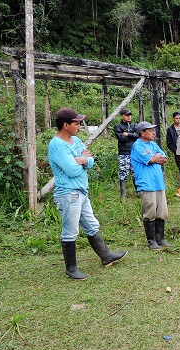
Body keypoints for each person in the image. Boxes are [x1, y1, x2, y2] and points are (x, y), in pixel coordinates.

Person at [49, 107, 127, 281]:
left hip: (81, 191)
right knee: (70, 230)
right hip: (68, 193)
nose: (79, 125)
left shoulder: (75, 140)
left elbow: (90, 159)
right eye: (76, 123)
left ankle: (106, 256)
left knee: (91, 225)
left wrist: (82, 160)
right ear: (65, 125)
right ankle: (71, 268)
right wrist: (81, 160)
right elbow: (71, 170)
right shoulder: (56, 145)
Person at [130, 121, 170, 250]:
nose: (153, 132)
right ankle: (151, 241)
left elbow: (164, 158)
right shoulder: (138, 146)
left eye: (153, 130)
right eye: (150, 130)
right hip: (146, 184)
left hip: (158, 183)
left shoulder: (153, 145)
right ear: (142, 133)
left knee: (161, 211)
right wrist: (155, 157)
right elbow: (152, 160)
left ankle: (161, 239)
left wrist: (155, 156)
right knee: (150, 212)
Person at [114, 108, 139, 200]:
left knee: (135, 173)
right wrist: (132, 135)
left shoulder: (134, 125)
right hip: (123, 153)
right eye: (127, 115)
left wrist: (128, 134)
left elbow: (139, 135)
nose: (129, 117)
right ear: (122, 116)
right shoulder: (118, 126)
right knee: (123, 172)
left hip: (134, 153)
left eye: (130, 115)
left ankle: (138, 191)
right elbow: (121, 139)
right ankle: (123, 194)